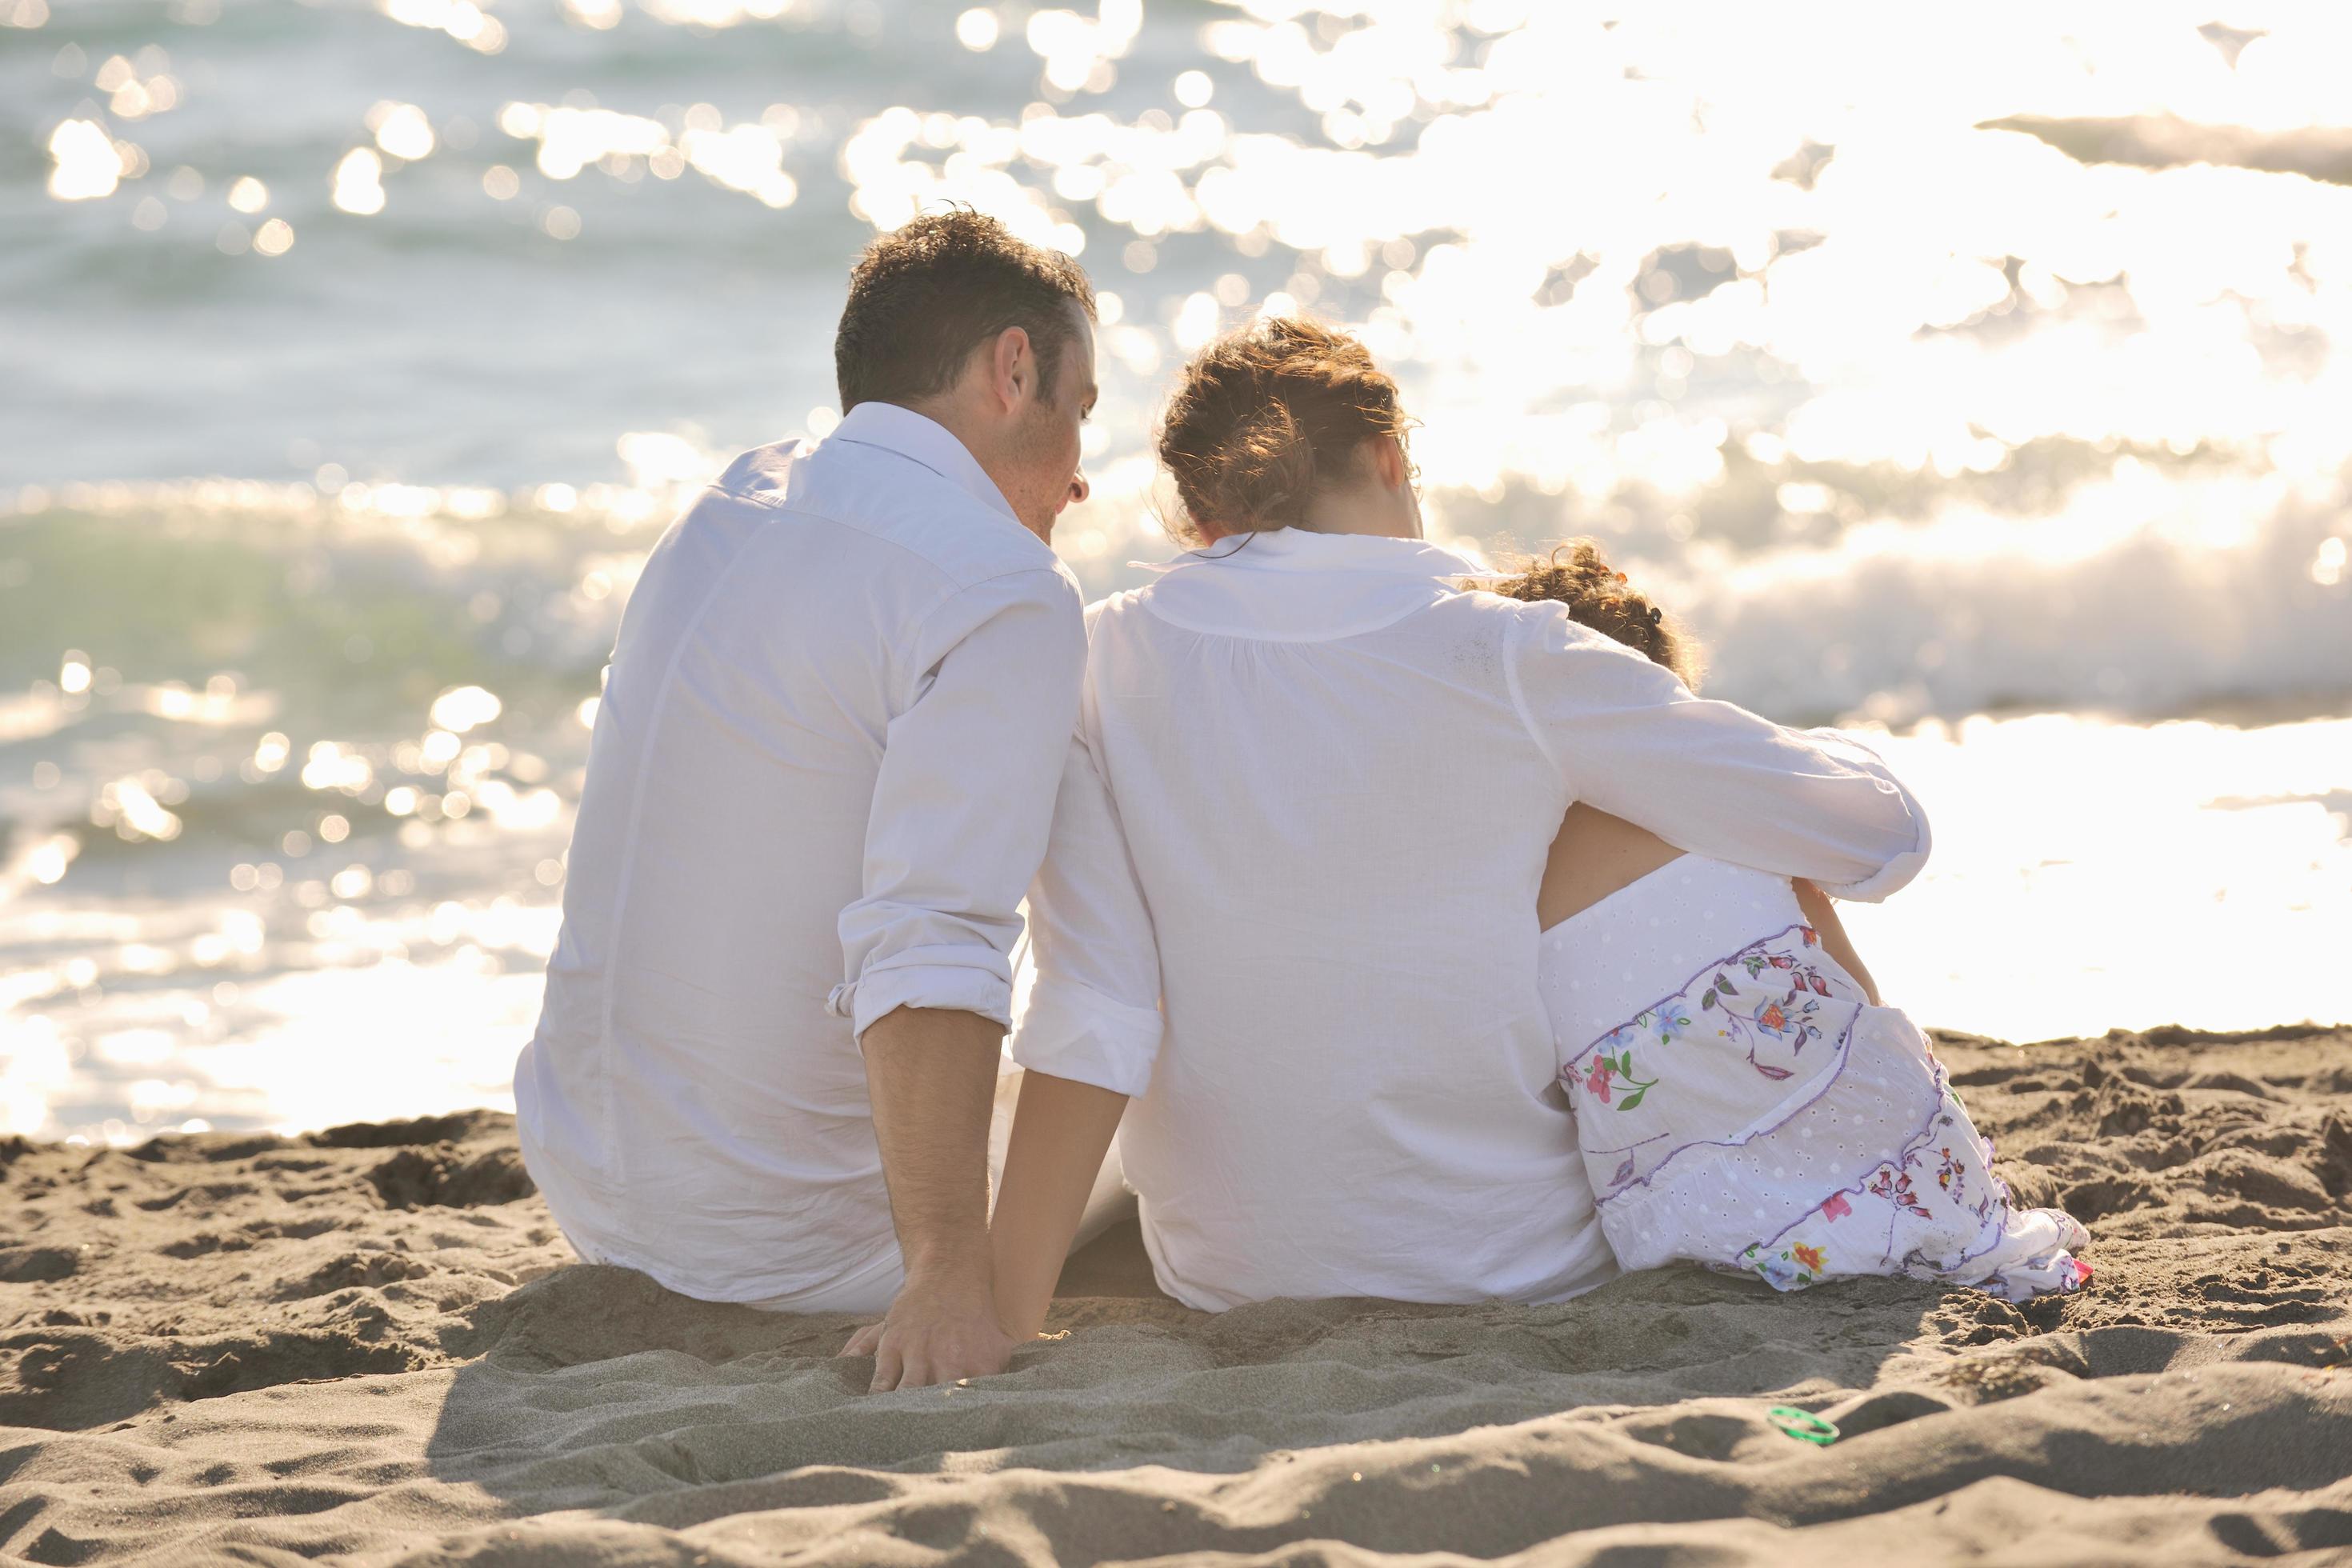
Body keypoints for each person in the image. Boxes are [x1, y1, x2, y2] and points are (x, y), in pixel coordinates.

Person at [985, 317, 1933, 1335]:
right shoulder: (1509, 652)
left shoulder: (1095, 658)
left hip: (1223, 1270)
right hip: (1512, 1264)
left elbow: (1093, 991)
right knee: (1715, 830)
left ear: (1202, 510)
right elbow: (1877, 836)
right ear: (1390, 458)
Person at [512, 210, 1098, 1391]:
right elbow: (932, 933)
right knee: (1169, 1048)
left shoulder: (727, 506)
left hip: (593, 1188)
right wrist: (943, 1271)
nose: (1082, 476)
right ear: (1013, 369)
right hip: (796, 1245)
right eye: (1081, 410)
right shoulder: (1000, 586)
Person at [1494, 545, 2090, 1302]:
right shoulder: (1721, 800)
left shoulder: (1515, 856)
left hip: (1688, 1218)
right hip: (1875, 1152)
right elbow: (1852, 983)